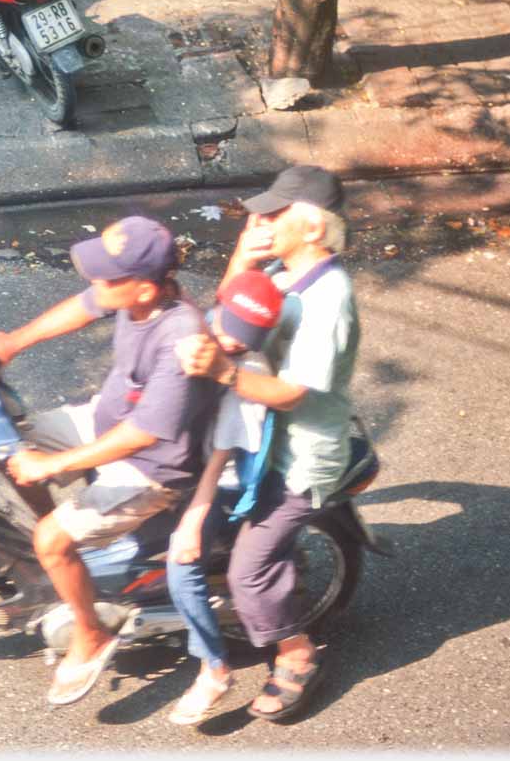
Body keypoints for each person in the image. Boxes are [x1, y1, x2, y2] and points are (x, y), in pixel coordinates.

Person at [0, 215, 219, 706]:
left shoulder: (179, 337)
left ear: (145, 288)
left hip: (154, 466)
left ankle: (91, 634)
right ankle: (63, 556)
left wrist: (52, 466)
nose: (95, 283)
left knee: (51, 535)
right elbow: (83, 307)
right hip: (107, 420)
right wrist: (13, 342)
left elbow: (143, 435)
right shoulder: (134, 296)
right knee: (7, 437)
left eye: (108, 276)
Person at [174, 164, 360, 722]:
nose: (261, 219)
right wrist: (243, 256)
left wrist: (223, 374)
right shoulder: (285, 270)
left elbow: (292, 393)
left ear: (310, 228)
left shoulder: (328, 300)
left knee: (248, 572)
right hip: (258, 430)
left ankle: (297, 653)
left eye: (275, 214)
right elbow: (235, 310)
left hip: (297, 453)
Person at [163, 270, 285, 725]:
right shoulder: (195, 324)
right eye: (227, 331)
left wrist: (193, 522)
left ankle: (213, 666)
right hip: (178, 456)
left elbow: (220, 457)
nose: (234, 344)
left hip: (219, 477)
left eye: (245, 339)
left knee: (181, 564)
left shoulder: (244, 371)